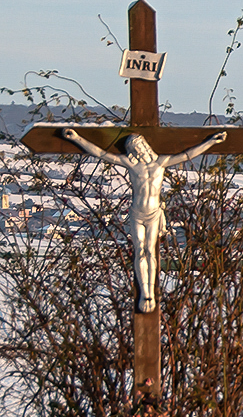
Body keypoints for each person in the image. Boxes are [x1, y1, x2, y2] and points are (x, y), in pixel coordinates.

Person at [60, 128, 227, 313]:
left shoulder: (161, 162)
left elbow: (187, 155)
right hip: (137, 212)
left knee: (150, 251)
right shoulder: (131, 165)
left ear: (145, 146)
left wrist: (211, 142)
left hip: (154, 212)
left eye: (139, 146)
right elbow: (101, 154)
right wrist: (77, 138)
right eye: (134, 148)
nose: (138, 151)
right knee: (140, 251)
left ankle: (152, 295)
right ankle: (144, 293)